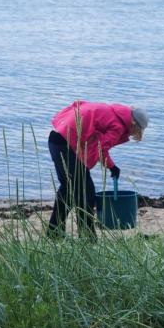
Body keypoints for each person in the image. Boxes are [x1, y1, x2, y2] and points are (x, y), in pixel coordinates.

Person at [48, 101, 148, 237]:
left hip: (55, 138)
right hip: (65, 143)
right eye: (137, 131)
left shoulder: (110, 111)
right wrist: (112, 167)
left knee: (68, 189)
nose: (134, 134)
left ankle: (54, 232)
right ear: (134, 123)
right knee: (86, 192)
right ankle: (88, 236)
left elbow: (77, 105)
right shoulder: (117, 125)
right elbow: (102, 148)